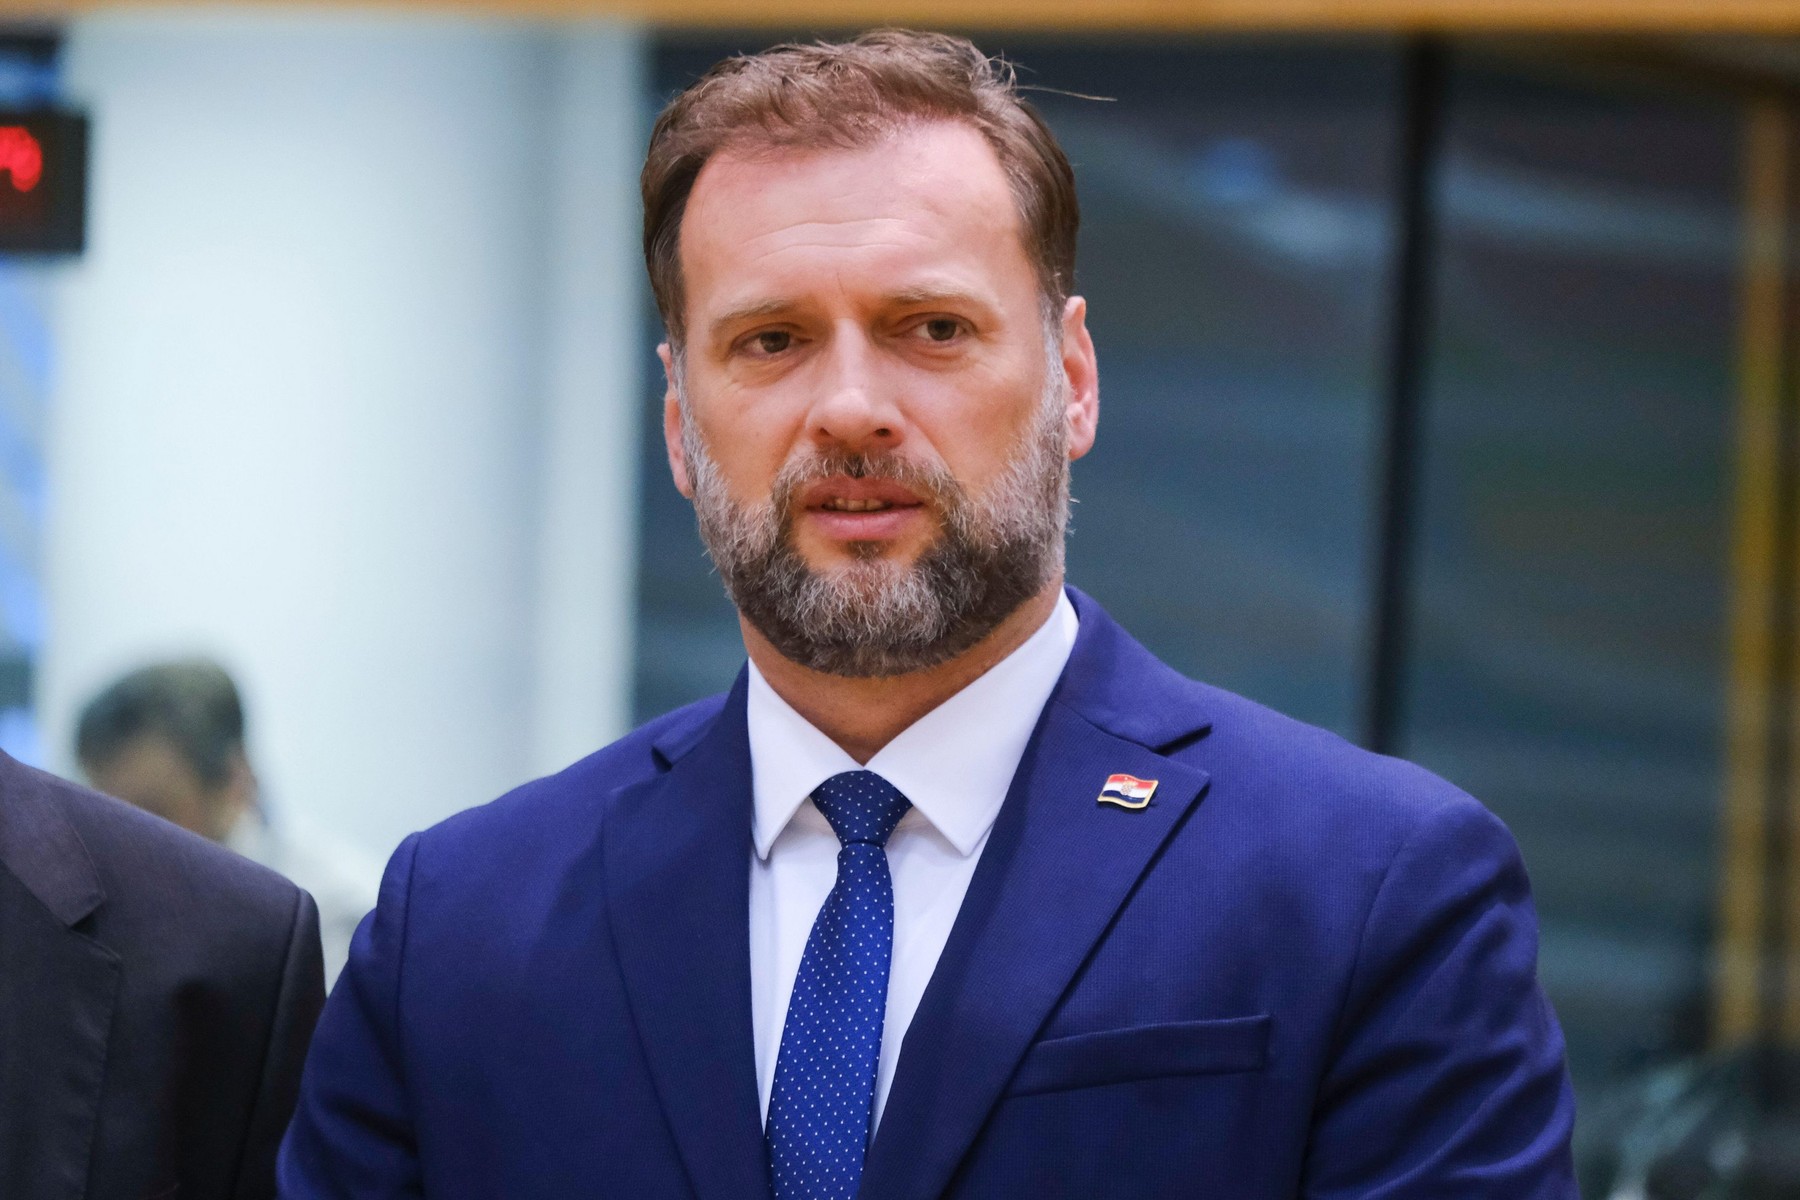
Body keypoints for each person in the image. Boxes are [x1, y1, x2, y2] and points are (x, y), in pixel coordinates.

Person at [281, 30, 1578, 1198]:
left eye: (931, 328)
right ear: (680, 423)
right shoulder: (457, 928)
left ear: (1071, 380)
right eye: (773, 341)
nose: (851, 407)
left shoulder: (1372, 895)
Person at [0, 748, 323, 1196]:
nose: (124, 824)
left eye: (151, 808)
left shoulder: (253, 942)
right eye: (102, 795)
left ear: (234, 783)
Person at [76, 659, 378, 988]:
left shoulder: (343, 924)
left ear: (234, 782)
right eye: (103, 815)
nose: (121, 846)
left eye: (150, 815)